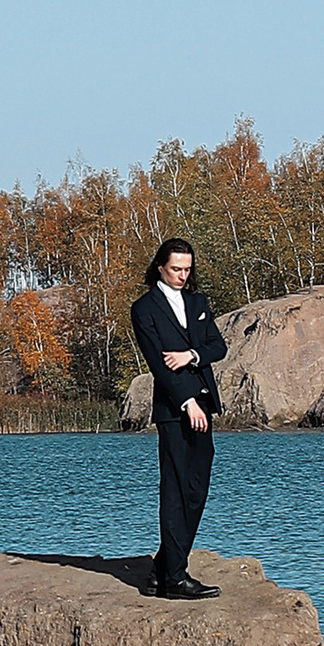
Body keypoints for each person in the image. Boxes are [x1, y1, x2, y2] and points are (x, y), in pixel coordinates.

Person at [130, 236, 228, 597]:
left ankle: (163, 566)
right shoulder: (144, 309)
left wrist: (191, 355)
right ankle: (174, 578)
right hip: (174, 410)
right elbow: (158, 363)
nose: (182, 275)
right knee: (174, 489)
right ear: (160, 267)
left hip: (205, 401)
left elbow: (218, 346)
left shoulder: (198, 302)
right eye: (176, 269)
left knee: (196, 489)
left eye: (187, 269)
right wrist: (187, 402)